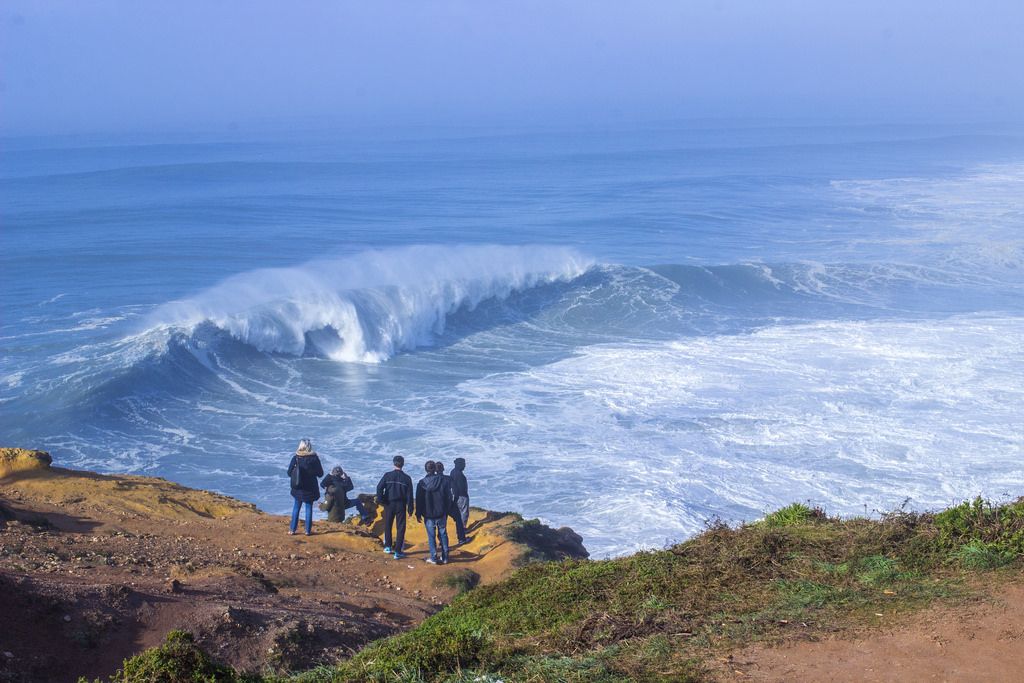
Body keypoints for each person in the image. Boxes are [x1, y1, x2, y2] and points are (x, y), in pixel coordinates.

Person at [375, 455, 414, 559]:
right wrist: (410, 509)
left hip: (389, 504)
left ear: (394, 463)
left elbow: (379, 488)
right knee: (400, 527)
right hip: (401, 505)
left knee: (388, 525)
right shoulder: (407, 478)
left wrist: (381, 500)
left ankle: (387, 546)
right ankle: (398, 552)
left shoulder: (387, 475)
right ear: (403, 464)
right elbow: (410, 495)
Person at [415, 460, 452, 565]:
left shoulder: (421, 483)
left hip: (428, 514)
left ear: (426, 469)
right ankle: (445, 557)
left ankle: (434, 557)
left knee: (431, 536)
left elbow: (419, 500)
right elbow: (448, 498)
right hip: (441, 513)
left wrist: (418, 513)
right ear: (435, 469)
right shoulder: (443, 481)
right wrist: (446, 510)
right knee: (443, 534)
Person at [286, 439, 324, 536]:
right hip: (310, 488)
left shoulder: (296, 458)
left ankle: (292, 530)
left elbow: (289, 473)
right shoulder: (314, 458)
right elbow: (320, 474)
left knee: (296, 508)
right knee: (308, 508)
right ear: (309, 447)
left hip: (298, 487)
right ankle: (307, 531)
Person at [435, 461, 467, 545]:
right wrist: (455, 501)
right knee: (458, 519)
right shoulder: (448, 478)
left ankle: (442, 541)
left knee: (441, 523)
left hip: (438, 504)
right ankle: (461, 539)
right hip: (449, 503)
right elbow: (455, 490)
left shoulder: (433, 479)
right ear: (443, 469)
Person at [451, 457, 470, 534]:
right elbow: (459, 487)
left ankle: (460, 529)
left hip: (457, 495)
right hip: (461, 496)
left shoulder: (453, 472)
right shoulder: (458, 474)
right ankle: (462, 529)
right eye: (463, 464)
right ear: (460, 464)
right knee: (464, 513)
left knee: (459, 514)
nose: (464, 466)